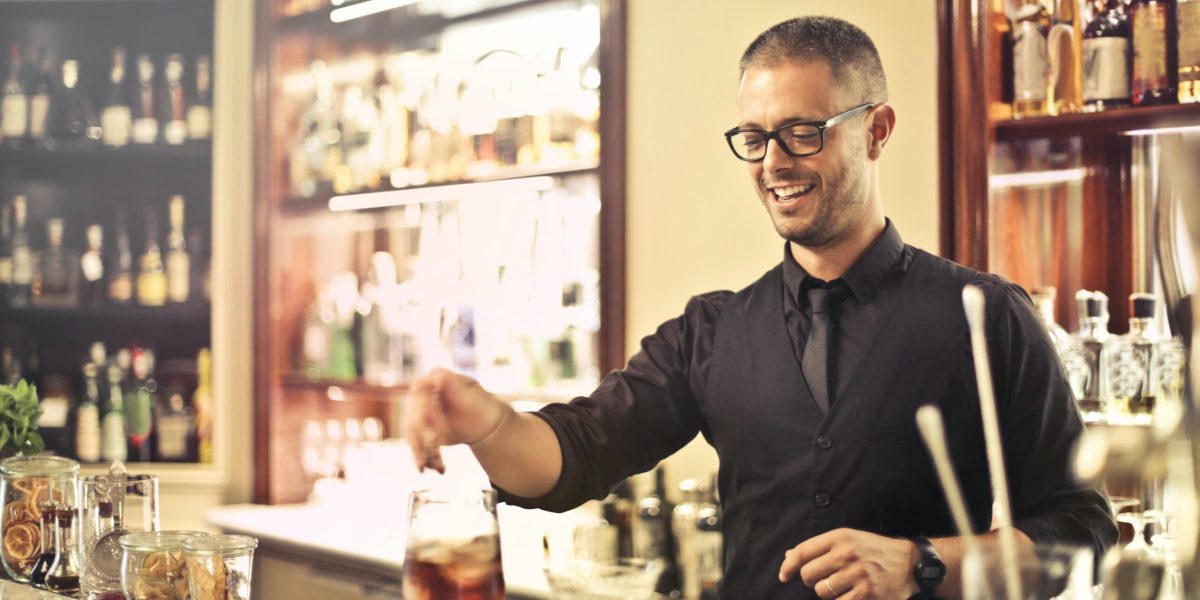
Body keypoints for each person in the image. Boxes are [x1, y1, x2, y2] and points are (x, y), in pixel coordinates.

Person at [403, 15, 1117, 599]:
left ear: (876, 130)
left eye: (802, 132)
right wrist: (487, 421)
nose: (773, 162)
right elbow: (576, 454)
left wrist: (921, 563)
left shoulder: (986, 315)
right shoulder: (711, 332)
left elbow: (1079, 534)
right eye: (754, 138)